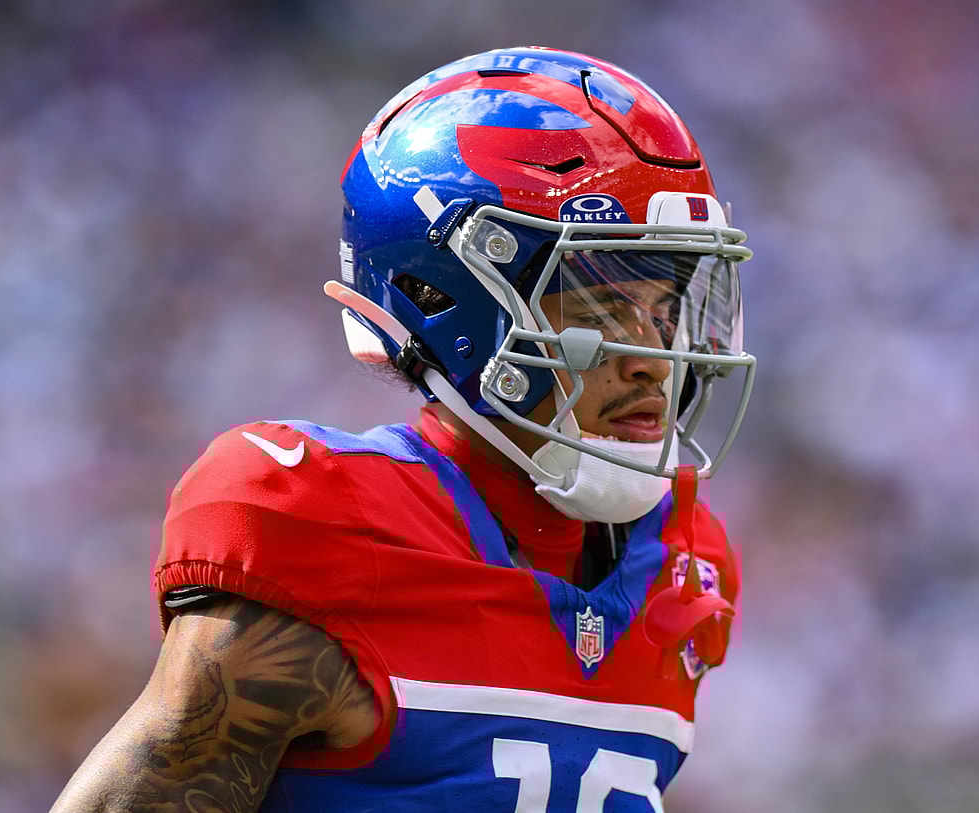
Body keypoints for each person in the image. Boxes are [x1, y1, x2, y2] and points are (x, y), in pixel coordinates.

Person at [51, 45, 756, 813]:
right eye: (596, 304)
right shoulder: (331, 529)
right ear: (441, 296)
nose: (652, 357)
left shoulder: (678, 559)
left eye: (664, 309)